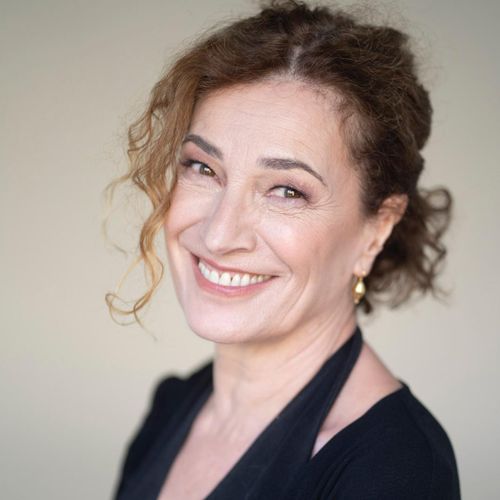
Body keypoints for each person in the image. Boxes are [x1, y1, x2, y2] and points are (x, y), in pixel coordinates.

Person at [107, 1, 461, 498]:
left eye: (287, 191)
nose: (219, 235)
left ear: (377, 228)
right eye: (203, 168)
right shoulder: (174, 407)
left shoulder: (394, 471)